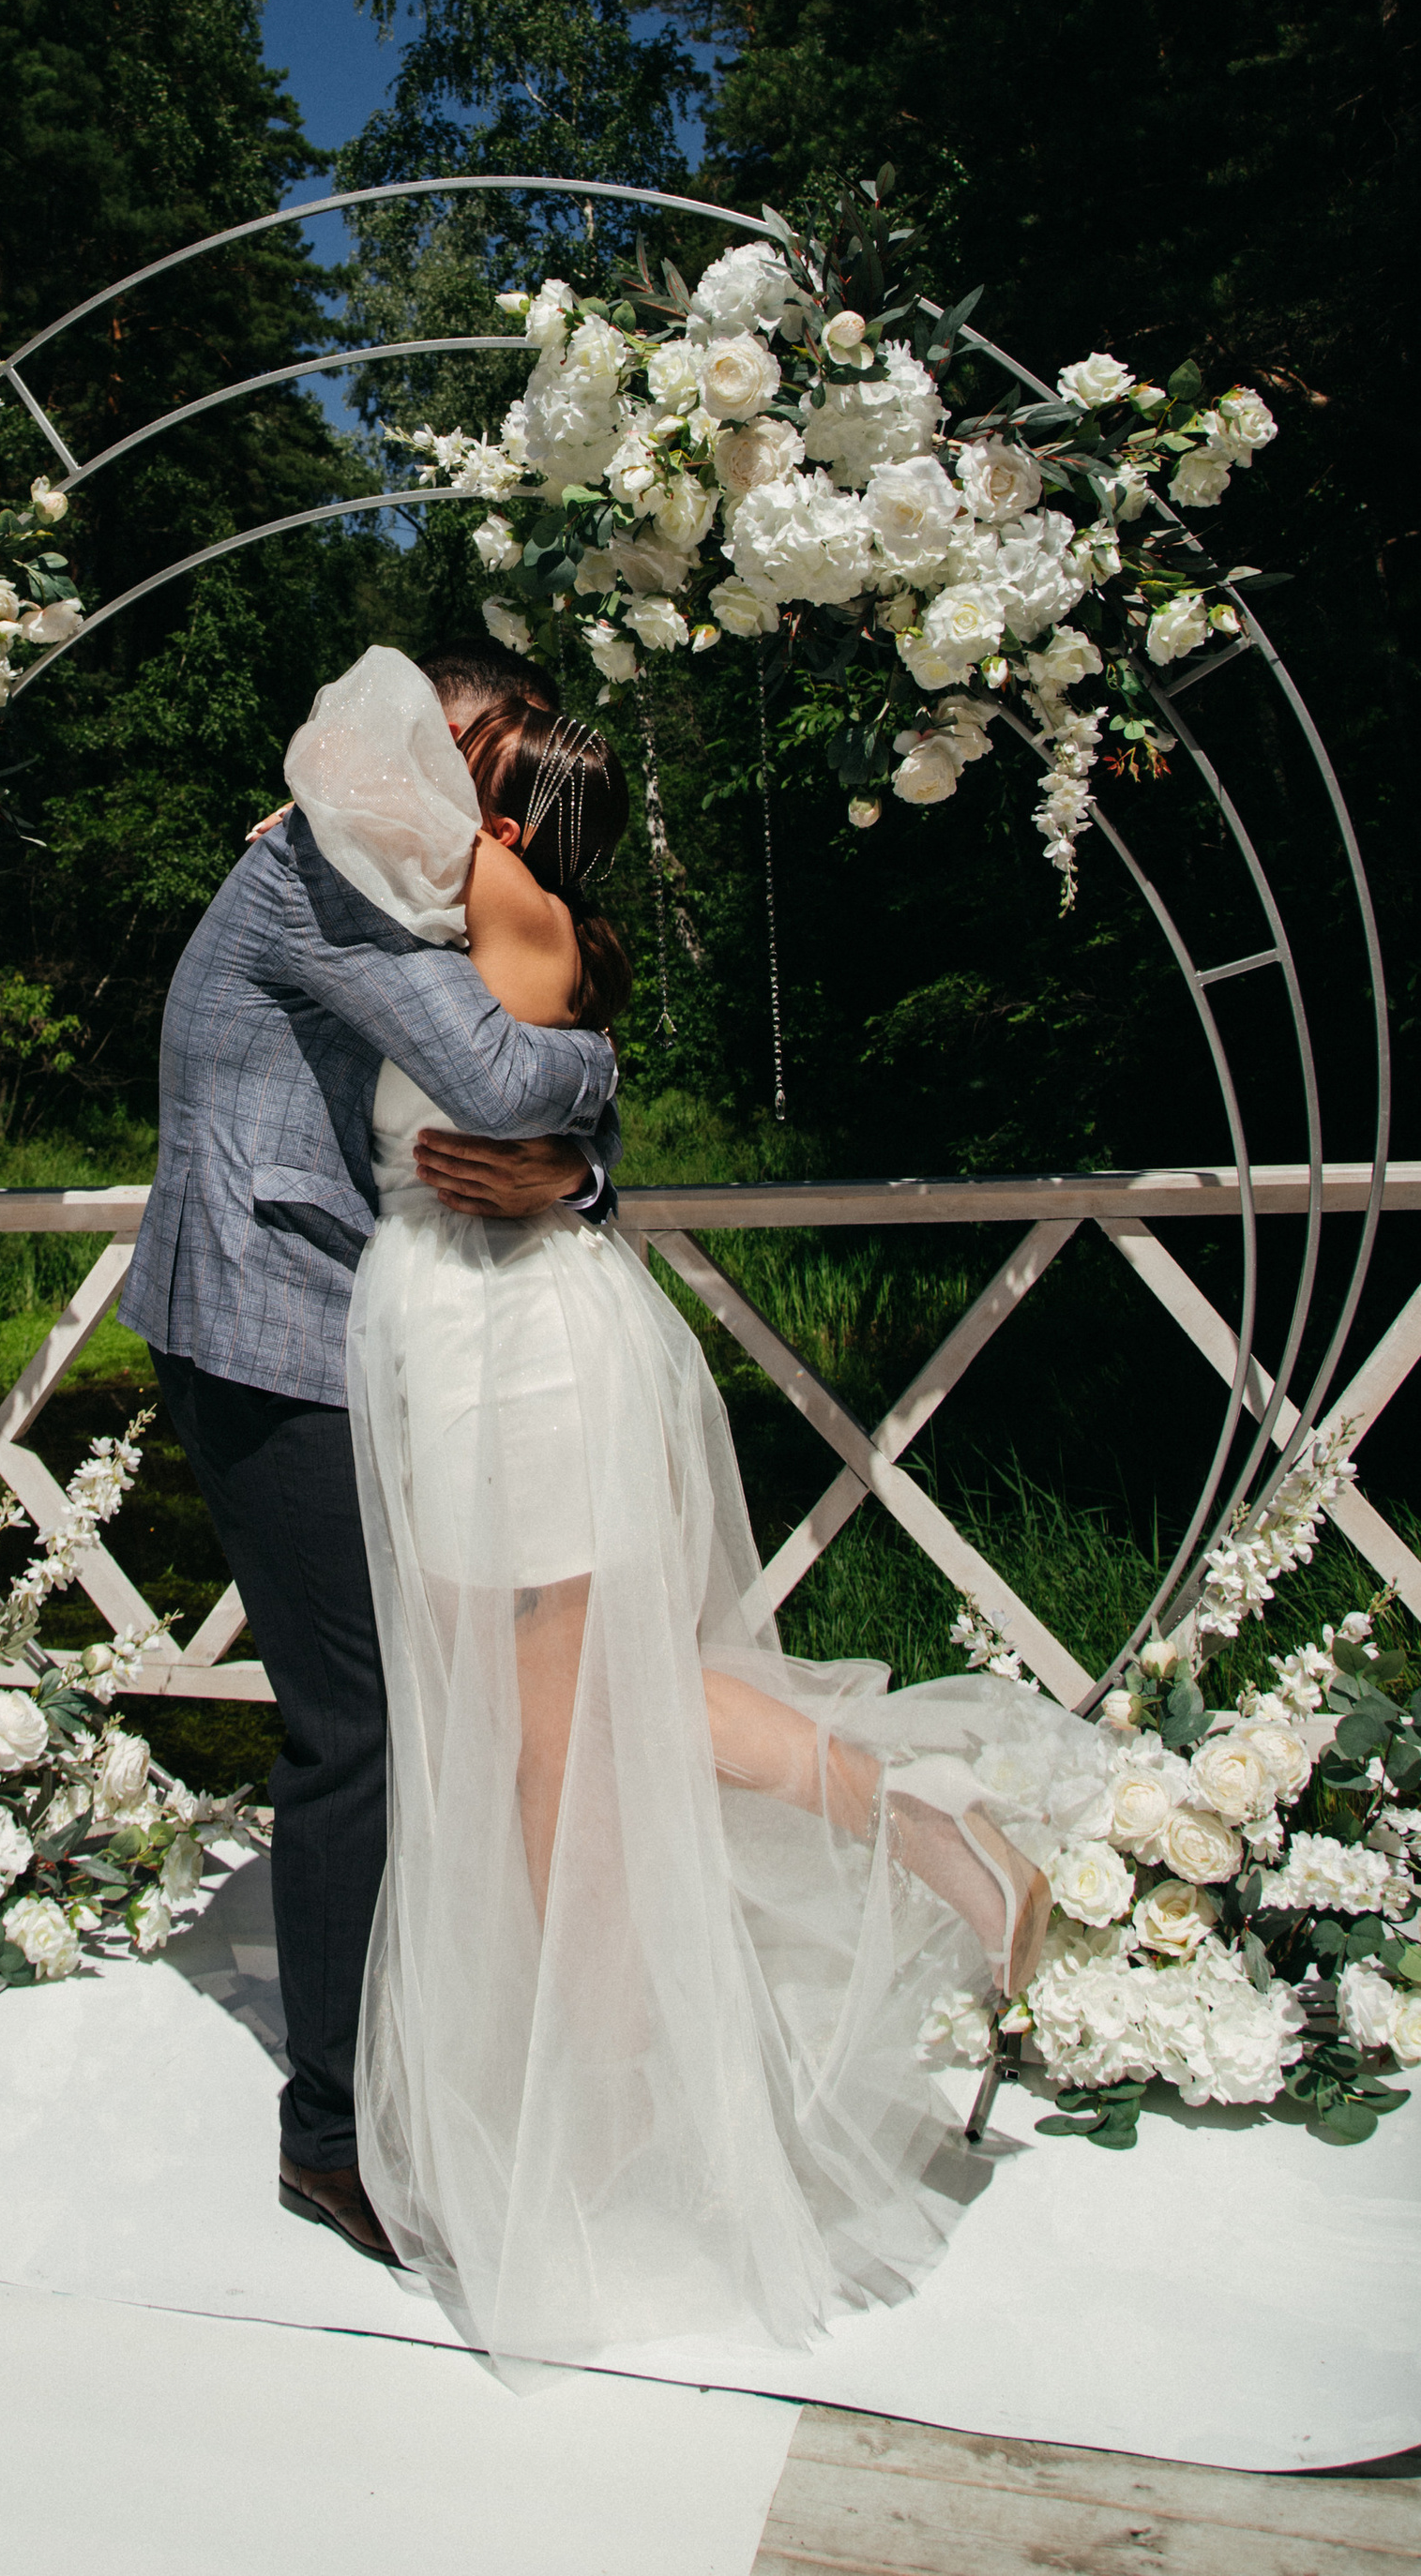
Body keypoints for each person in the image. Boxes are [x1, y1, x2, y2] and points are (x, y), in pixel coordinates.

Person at [310, 648, 1092, 2369]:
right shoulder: (484, 907)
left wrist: (567, 1155)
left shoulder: (492, 892)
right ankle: (950, 1854)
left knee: (547, 1752)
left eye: (456, 745)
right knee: (600, 1713)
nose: (410, 761)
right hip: (468, 1328)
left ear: (508, 801)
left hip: (516, 1342)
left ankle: (600, 2130)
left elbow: (350, 800)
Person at [116, 643, 622, 2262]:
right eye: (478, 753)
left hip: (325, 1318)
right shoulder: (318, 872)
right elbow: (488, 1072)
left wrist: (577, 1162)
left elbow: (480, 1087)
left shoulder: (357, 870)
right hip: (268, 1328)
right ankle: (328, 2137)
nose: (477, 799)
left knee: (392, 1711)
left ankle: (398, 2060)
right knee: (364, 1732)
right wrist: (603, 1078)